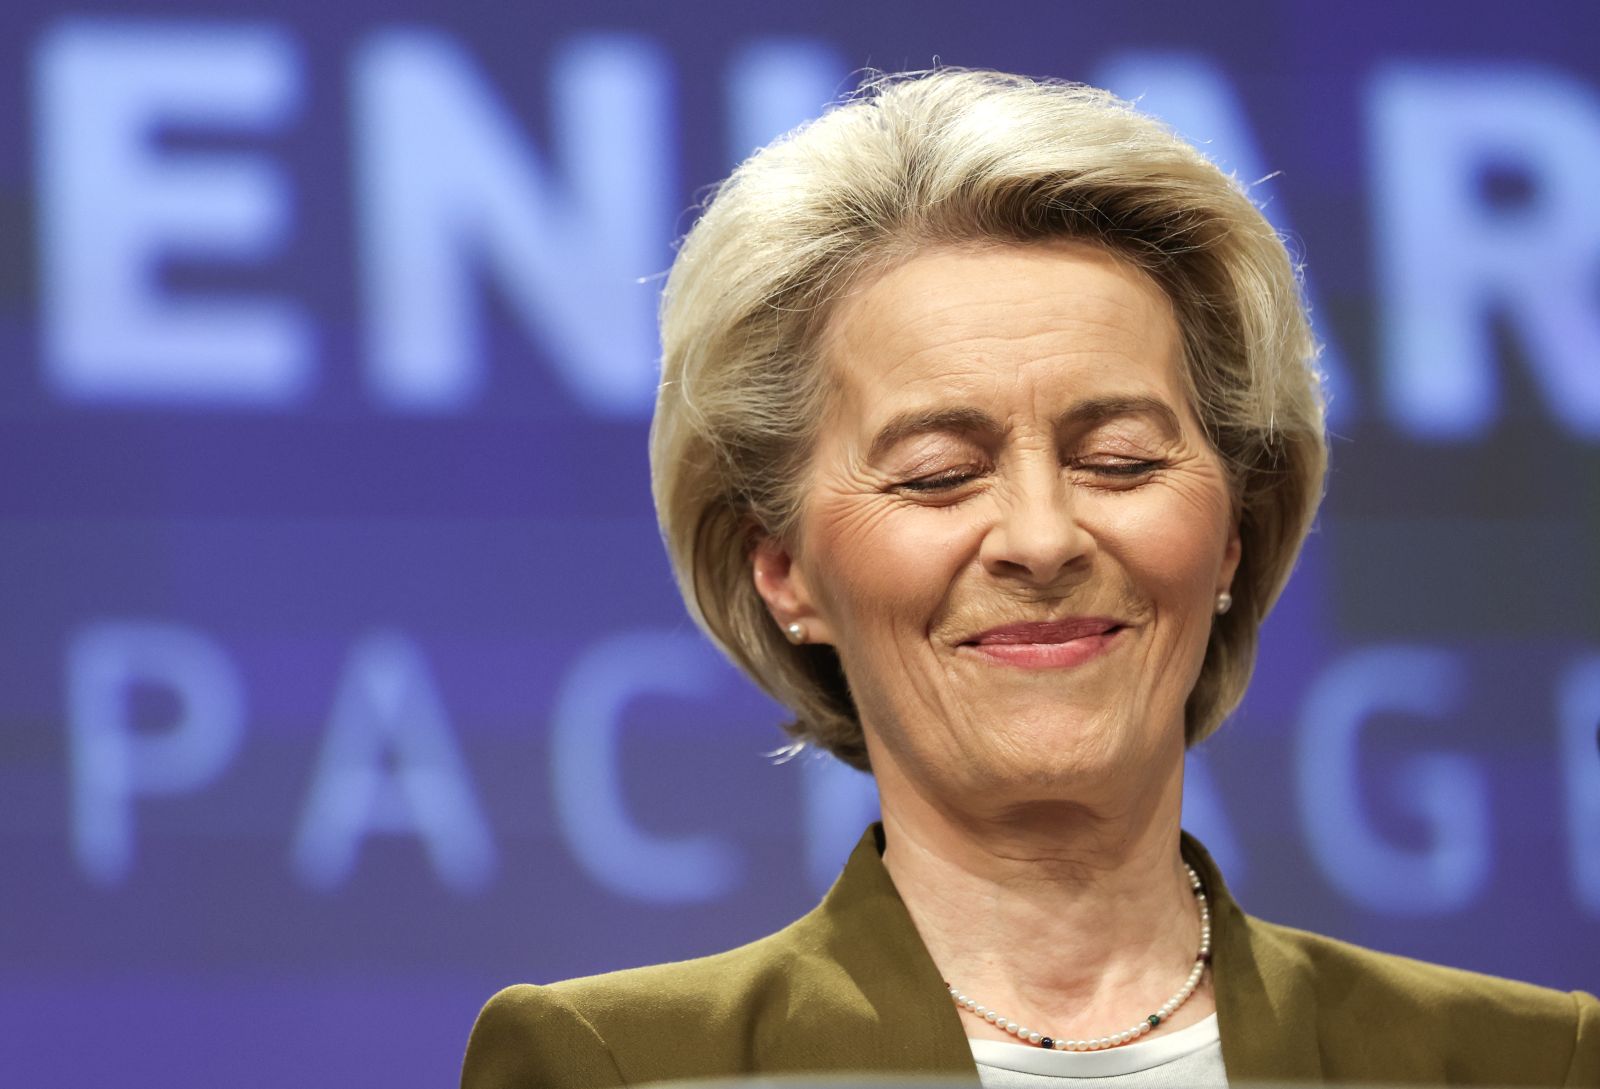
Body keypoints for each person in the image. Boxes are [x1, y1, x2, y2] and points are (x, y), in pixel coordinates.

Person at [461, 69, 1600, 1087]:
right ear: (785, 572)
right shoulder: (621, 1069)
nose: (1042, 538)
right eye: (937, 474)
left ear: (1234, 535)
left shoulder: (1523, 1064)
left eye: (1119, 460)